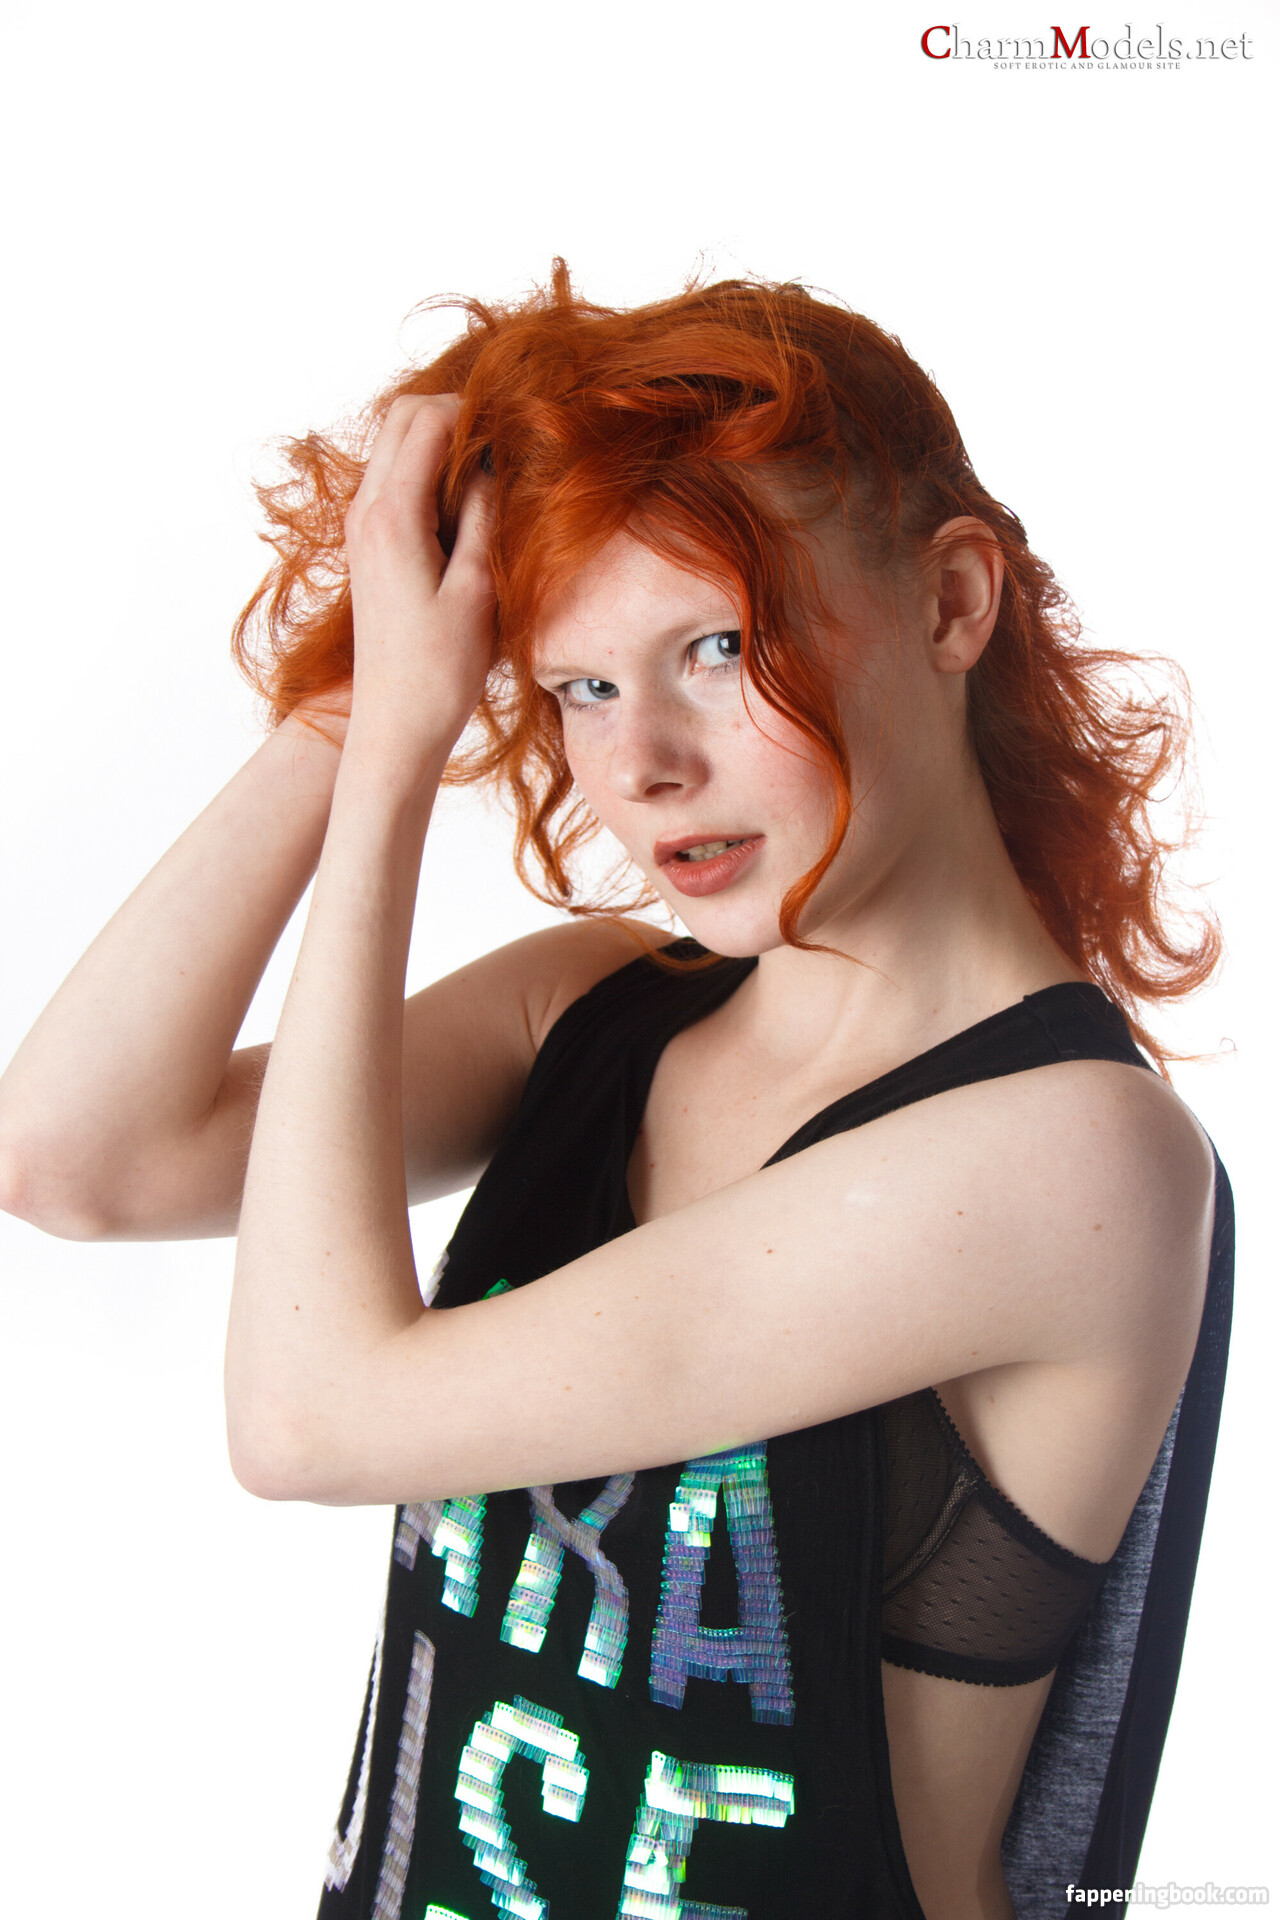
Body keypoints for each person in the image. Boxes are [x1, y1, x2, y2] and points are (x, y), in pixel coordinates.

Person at [0, 265, 1232, 1920]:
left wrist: (394, 779)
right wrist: (361, 697)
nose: (641, 763)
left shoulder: (1072, 1154)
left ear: (952, 603)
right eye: (580, 685)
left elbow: (308, 1421)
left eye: (717, 648)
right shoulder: (594, 1009)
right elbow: (73, 1154)